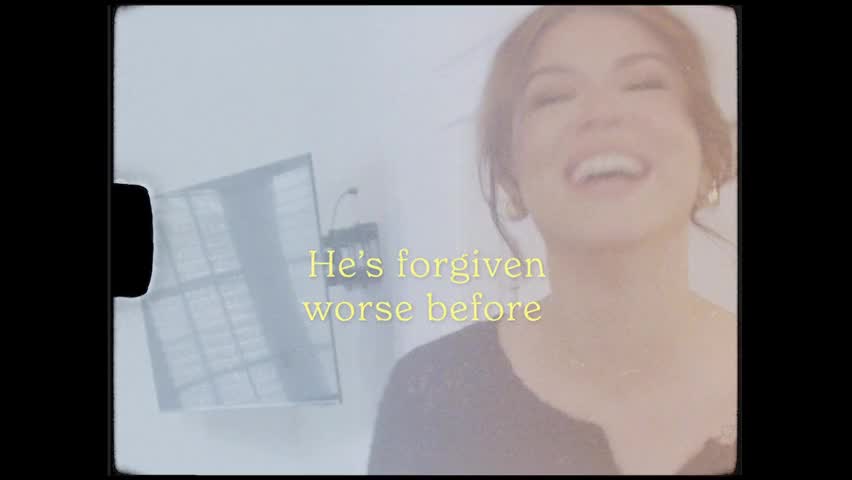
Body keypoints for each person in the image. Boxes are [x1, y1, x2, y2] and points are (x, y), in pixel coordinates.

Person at [367, 5, 737, 475]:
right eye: (553, 97)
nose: (602, 113)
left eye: (644, 83)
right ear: (511, 178)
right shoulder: (429, 399)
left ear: (709, 156)